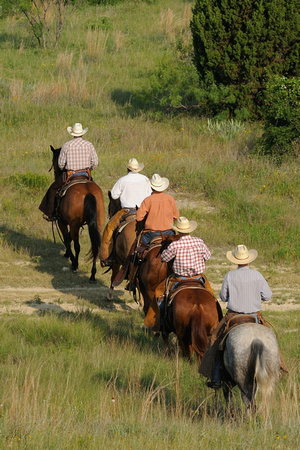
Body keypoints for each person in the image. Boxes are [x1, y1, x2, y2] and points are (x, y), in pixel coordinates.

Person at [199, 244, 288, 390]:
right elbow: (268, 295)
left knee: (215, 340)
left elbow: (223, 296)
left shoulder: (229, 275)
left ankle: (215, 378)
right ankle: (279, 369)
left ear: (235, 260)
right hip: (254, 316)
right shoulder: (257, 275)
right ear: (249, 259)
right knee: (271, 337)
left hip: (233, 316)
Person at [39, 122, 98, 221]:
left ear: (73, 134)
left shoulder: (66, 145)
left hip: (70, 175)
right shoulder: (89, 145)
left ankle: (50, 214)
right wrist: (88, 168)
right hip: (86, 174)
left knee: (53, 189)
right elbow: (95, 163)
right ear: (82, 134)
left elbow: (60, 164)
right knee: (95, 189)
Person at [100, 158, 152, 267]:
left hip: (127, 211)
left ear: (127, 169)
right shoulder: (145, 179)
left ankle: (108, 257)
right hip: (144, 211)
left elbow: (114, 196)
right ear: (138, 169)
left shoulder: (122, 180)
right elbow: (150, 194)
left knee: (110, 229)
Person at [136, 173, 180, 244]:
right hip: (168, 232)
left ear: (151, 187)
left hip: (151, 233)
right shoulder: (170, 198)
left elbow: (138, 218)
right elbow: (176, 216)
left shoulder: (148, 200)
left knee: (138, 248)